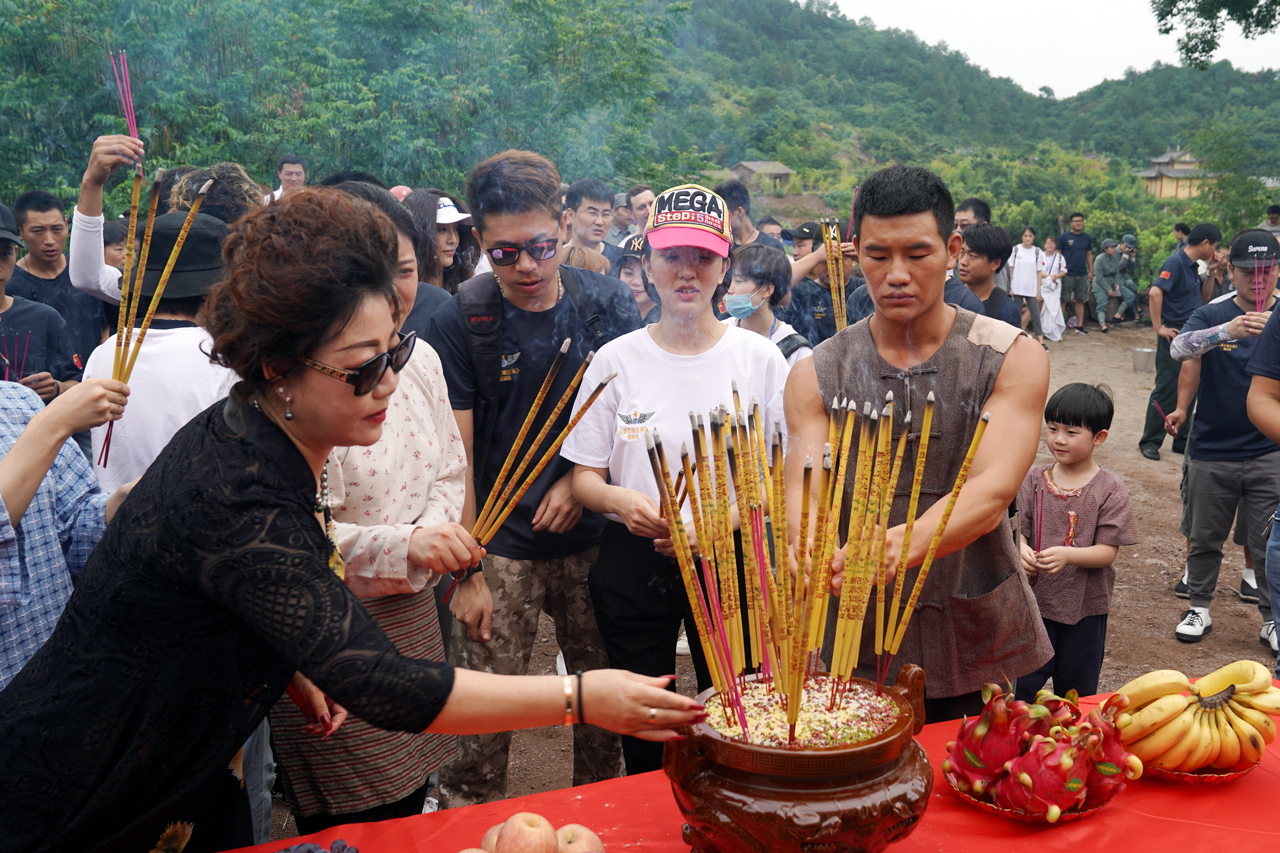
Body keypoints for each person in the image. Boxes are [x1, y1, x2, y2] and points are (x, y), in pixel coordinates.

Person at [0, 188, 701, 853]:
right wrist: (581, 695)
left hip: (176, 759)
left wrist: (283, 654)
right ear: (279, 368)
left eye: (395, 352)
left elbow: (229, 591)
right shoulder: (239, 483)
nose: (390, 383)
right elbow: (383, 685)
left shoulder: (260, 432)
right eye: (363, 369)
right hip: (78, 783)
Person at [786, 164, 1052, 722]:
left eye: (918, 253)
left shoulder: (1008, 356)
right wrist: (805, 544)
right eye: (878, 256)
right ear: (855, 252)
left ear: (953, 248)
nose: (896, 275)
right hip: (850, 624)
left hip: (972, 614)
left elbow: (991, 490)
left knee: (972, 778)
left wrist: (892, 547)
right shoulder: (817, 370)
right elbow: (806, 487)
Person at [427, 150, 639, 809]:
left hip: (594, 533)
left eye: (541, 247)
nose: (525, 267)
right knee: (480, 720)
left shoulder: (604, 304)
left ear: (567, 223)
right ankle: (467, 818)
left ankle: (600, 818)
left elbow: (626, 417)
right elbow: (456, 454)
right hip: (500, 545)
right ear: (480, 243)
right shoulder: (462, 317)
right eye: (503, 253)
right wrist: (466, 572)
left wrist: (574, 480)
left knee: (604, 706)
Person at [563, 183, 789, 774]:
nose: (687, 272)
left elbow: (781, 473)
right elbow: (584, 476)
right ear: (647, 264)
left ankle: (742, 803)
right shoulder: (615, 360)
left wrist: (722, 522)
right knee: (645, 711)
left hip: (734, 554)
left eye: (703, 258)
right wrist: (619, 499)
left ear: (724, 267)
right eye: (672, 257)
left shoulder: (761, 359)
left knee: (743, 704)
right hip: (635, 555)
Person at [1166, 230, 1279, 650]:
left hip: (1270, 450)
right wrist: (1227, 330)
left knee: (1270, 542)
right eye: (1247, 272)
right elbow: (1179, 349)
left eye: (1266, 271)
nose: (1257, 280)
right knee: (1204, 535)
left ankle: (1272, 618)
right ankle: (1199, 606)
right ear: (1230, 270)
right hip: (1212, 448)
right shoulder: (1214, 313)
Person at [80, 211, 238, 492]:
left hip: (108, 523)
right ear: (218, 291)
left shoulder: (104, 352)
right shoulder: (222, 360)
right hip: (188, 526)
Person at [0, 376, 131, 690]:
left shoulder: (18, 400)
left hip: (55, 672)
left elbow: (72, 525)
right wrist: (53, 424)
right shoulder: (45, 419)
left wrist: (131, 502)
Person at [1014, 384, 1139, 702]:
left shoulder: (1109, 489)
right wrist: (1021, 548)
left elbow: (1107, 552)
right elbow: (1019, 528)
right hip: (1033, 606)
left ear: (1099, 437)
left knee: (1076, 697)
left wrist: (1069, 555)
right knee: (1018, 690)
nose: (1058, 439)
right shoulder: (1033, 479)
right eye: (1052, 428)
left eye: (1071, 432)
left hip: (1084, 611)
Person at [1139, 222, 1222, 460]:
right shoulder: (1175, 262)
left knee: (1190, 384)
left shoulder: (1194, 267)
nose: (1214, 250)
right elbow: (1156, 292)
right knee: (1167, 386)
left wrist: (1213, 272)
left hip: (1192, 333)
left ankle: (1180, 439)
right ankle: (1150, 441)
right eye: (1214, 245)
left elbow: (1204, 297)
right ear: (1205, 243)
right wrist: (1159, 327)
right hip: (1174, 333)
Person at [9, 190, 102, 388]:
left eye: (57, 229)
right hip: (39, 393)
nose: (50, 240)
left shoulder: (88, 273)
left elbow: (107, 326)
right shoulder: (9, 285)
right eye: (38, 231)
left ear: (67, 225)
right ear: (20, 232)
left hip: (95, 386)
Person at [0, 203, 80, 405]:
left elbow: (79, 384)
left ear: (15, 253)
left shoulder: (45, 318)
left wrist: (57, 387)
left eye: (4, 254)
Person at [722, 242, 812, 368]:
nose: (729, 288)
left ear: (767, 290)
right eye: (729, 279)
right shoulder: (720, 333)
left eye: (738, 281)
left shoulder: (796, 351)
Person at [403, 189, 479, 295]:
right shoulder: (405, 294)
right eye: (441, 230)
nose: (453, 240)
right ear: (418, 234)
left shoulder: (465, 291)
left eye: (456, 229)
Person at [957, 223, 1020, 328]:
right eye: (962, 253)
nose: (963, 262)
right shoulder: (947, 296)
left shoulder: (1005, 311)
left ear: (995, 263)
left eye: (973, 256)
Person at [713, 179, 785, 255]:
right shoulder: (720, 246)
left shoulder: (772, 247)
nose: (718, 219)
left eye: (721, 213)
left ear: (739, 212)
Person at [954, 197, 1010, 293]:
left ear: (983, 226)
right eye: (955, 225)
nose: (958, 230)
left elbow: (997, 299)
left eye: (964, 225)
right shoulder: (953, 252)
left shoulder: (992, 256)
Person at [563, 179, 624, 266]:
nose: (600, 222)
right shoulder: (556, 259)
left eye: (605, 214)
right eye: (592, 213)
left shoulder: (621, 260)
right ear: (571, 215)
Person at [1057, 213, 1094, 333]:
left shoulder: (1086, 237)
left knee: (1080, 300)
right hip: (1067, 273)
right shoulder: (1064, 237)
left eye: (1080, 221)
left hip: (1082, 273)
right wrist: (1059, 271)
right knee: (1063, 300)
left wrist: (1091, 271)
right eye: (1076, 221)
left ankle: (1079, 325)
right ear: (1070, 223)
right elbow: (1058, 254)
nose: (1078, 223)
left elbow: (1089, 254)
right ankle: (1060, 325)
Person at [1008, 226, 1046, 344]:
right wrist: (1009, 287)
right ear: (1021, 237)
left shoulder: (1037, 252)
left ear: (1034, 237)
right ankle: (1016, 341)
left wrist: (1038, 290)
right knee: (1016, 315)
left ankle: (1041, 341)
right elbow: (1010, 269)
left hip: (1031, 289)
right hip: (1017, 288)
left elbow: (1039, 272)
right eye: (1025, 236)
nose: (1028, 238)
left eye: (1030, 236)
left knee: (1036, 316)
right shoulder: (1015, 250)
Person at [613, 233, 660, 325]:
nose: (636, 282)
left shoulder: (670, 320)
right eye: (628, 273)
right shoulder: (611, 314)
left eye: (644, 274)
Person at [1091, 238, 1133, 332]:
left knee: (1130, 296)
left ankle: (1117, 315)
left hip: (1112, 281)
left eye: (1114, 247)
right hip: (1100, 285)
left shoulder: (1114, 259)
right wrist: (1108, 290)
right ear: (1105, 249)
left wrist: (1117, 284)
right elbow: (1099, 277)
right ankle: (1102, 324)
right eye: (1111, 247)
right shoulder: (1099, 259)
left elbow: (1117, 273)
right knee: (1102, 303)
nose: (1114, 249)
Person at [1039, 235, 1067, 342]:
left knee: (1054, 308)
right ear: (1044, 245)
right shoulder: (1040, 256)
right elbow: (1037, 271)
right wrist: (1049, 276)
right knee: (1044, 308)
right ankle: (1044, 330)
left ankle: (1055, 332)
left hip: (1055, 285)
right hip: (1043, 284)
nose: (1050, 245)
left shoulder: (1060, 257)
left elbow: (1064, 271)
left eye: (1052, 243)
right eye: (1048, 243)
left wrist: (1056, 277)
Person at [1117, 234, 1141, 320]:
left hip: (1125, 275)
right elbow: (1119, 267)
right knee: (1128, 290)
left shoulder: (1128, 251)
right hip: (1117, 276)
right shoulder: (1115, 251)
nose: (1127, 248)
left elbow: (1132, 268)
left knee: (1131, 284)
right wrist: (1125, 256)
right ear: (1122, 243)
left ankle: (1138, 306)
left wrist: (1133, 257)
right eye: (1126, 245)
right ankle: (1135, 313)